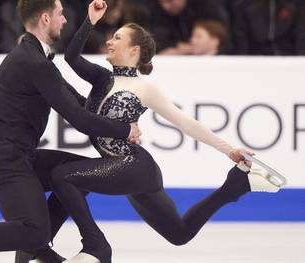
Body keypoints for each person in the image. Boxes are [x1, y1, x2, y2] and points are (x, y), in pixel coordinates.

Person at [21, 1, 281, 262]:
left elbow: (187, 124)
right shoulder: (102, 78)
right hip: (120, 168)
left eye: (118, 38)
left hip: (135, 167)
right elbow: (72, 57)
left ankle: (91, 245)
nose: (110, 42)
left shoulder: (144, 89)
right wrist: (90, 21)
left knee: (63, 176)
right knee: (180, 233)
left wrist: (230, 149)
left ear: (133, 50)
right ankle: (236, 185)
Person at [0, 0, 142, 262]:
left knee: (79, 175)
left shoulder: (35, 57)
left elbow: (78, 102)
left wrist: (117, 109)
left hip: (17, 156)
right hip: (2, 162)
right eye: (60, 14)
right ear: (45, 19)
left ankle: (35, 249)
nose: (64, 20)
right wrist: (124, 130)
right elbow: (79, 119)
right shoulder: (33, 62)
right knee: (34, 230)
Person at [231, 0, 305, 55]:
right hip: (254, 60)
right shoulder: (244, 5)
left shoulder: (296, 4)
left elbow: (301, 35)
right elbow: (240, 37)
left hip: (289, 59)